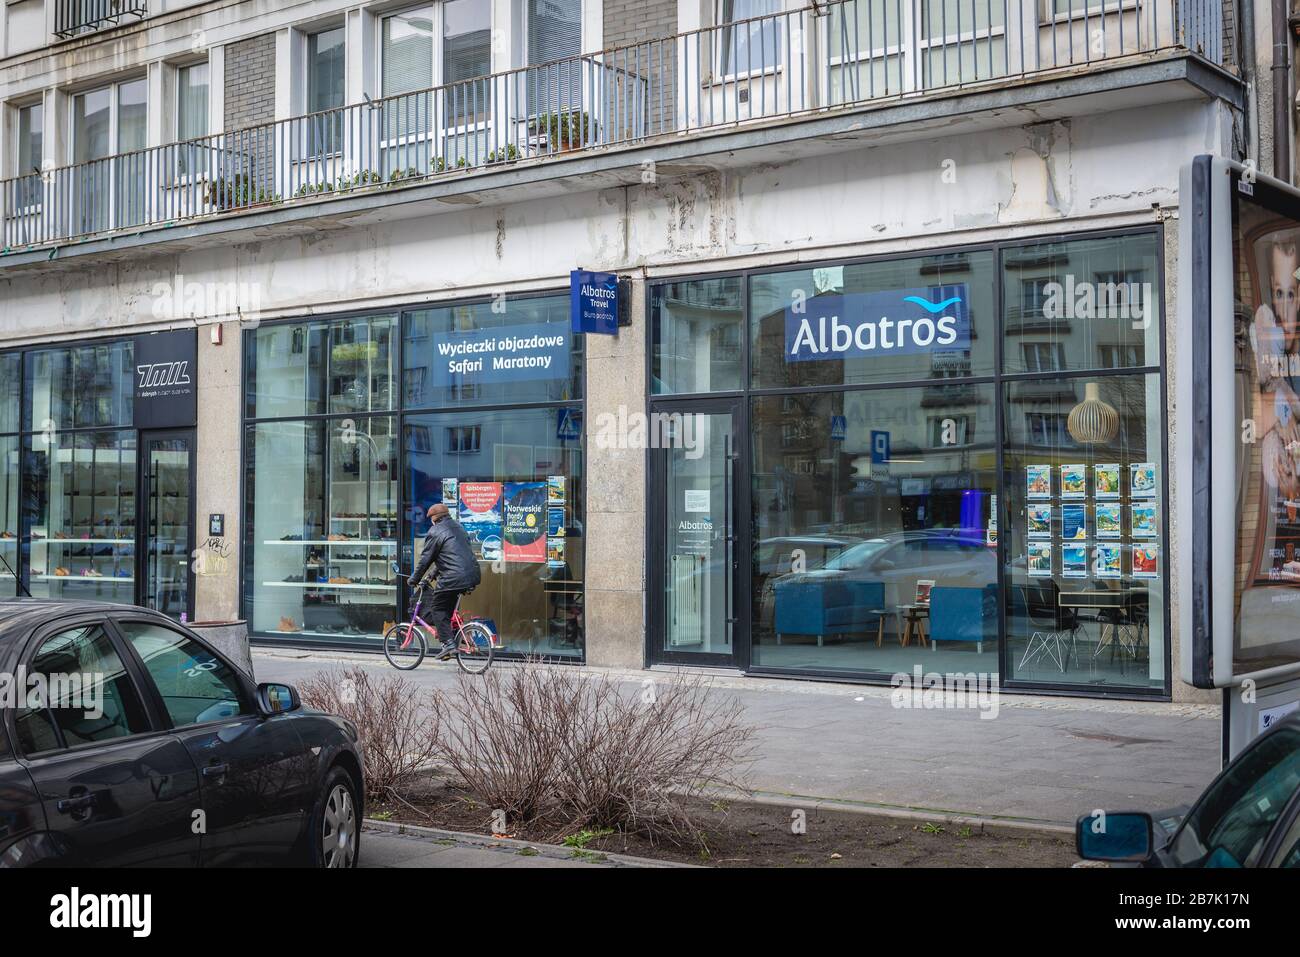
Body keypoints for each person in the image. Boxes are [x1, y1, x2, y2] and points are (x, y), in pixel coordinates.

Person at [410, 503, 482, 659]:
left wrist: (414, 579)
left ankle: (448, 645)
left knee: (437, 608)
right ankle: (453, 639)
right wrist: (432, 575)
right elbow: (449, 557)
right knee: (447, 609)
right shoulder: (459, 528)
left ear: (434, 519)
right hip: (471, 575)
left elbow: (425, 559)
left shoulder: (435, 531)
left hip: (453, 578)